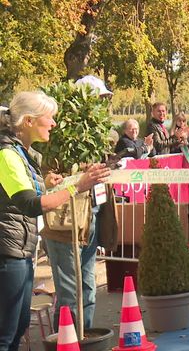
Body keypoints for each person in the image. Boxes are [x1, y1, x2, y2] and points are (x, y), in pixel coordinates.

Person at [0, 92, 109, 350]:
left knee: (17, 326)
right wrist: (78, 187)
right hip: (8, 252)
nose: (53, 123)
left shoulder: (20, 152)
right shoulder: (7, 154)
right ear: (28, 121)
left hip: (20, 249)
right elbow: (29, 205)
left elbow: (24, 195)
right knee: (6, 332)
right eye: (48, 117)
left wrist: (47, 186)